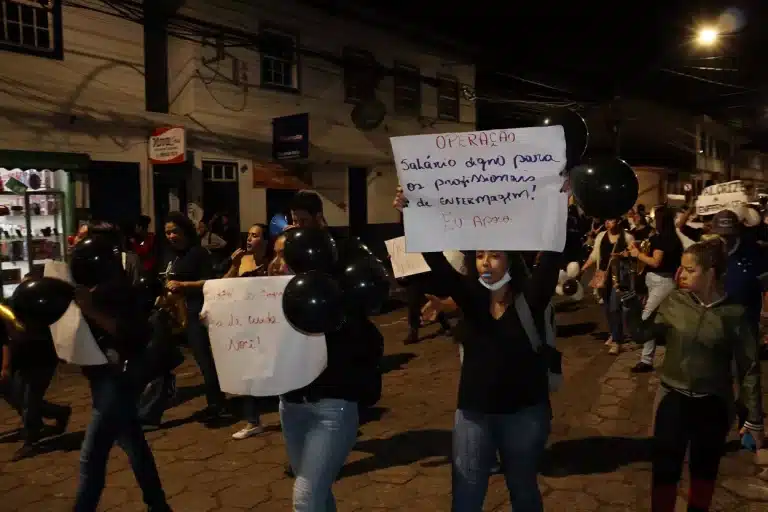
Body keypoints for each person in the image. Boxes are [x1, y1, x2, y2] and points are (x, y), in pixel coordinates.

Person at [394, 187, 559, 512]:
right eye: (481, 254)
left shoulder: (531, 298)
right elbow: (437, 263)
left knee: (523, 489)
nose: (485, 261)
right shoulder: (471, 297)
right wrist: (409, 215)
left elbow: (553, 254)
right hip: (473, 415)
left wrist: (558, 201)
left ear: (511, 261)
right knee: (466, 496)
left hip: (524, 414)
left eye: (495, 255)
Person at [622, 239, 764, 512]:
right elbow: (641, 334)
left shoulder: (735, 314)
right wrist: (629, 303)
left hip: (712, 404)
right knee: (665, 470)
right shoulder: (674, 301)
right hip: (672, 398)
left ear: (711, 273)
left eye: (689, 270)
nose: (681, 275)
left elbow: (749, 368)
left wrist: (754, 418)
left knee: (704, 472)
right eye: (681, 269)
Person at [279, 190, 382, 511]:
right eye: (293, 222)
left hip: (334, 399)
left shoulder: (346, 254)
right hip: (292, 399)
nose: (297, 228)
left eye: (303, 221)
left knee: (305, 498)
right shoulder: (284, 259)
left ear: (319, 218)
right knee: (317, 491)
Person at [72, 235, 170, 511]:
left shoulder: (117, 292)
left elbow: (130, 333)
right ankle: (158, 504)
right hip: (109, 379)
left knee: (92, 458)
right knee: (135, 446)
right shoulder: (99, 288)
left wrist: (89, 310)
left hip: (116, 381)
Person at [157, 212, 226, 423]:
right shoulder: (169, 255)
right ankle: (152, 407)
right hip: (171, 315)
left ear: (185, 231)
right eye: (167, 232)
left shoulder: (198, 254)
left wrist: (184, 286)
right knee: (158, 360)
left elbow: (209, 282)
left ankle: (217, 404)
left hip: (194, 312)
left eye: (175, 231)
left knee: (204, 360)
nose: (171, 236)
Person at [0, 274, 71, 461]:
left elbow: (11, 340)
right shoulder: (15, 309)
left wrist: (6, 366)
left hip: (40, 360)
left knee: (29, 402)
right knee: (21, 399)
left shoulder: (39, 311)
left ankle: (31, 442)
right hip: (23, 361)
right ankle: (59, 413)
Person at [227, 224, 271, 440]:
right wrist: (234, 266)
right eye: (248, 235)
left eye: (255, 236)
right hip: (247, 325)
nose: (249, 239)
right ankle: (253, 421)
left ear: (265, 241)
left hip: (270, 325)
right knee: (248, 374)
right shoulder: (242, 260)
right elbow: (224, 287)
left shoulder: (274, 262)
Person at [628, 205, 683, 373]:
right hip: (663, 282)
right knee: (663, 320)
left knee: (646, 320)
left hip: (661, 282)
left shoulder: (662, 239)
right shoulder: (673, 238)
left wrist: (637, 254)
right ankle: (658, 359)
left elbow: (655, 262)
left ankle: (646, 360)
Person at [580, 218, 635, 354]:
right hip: (603, 276)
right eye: (607, 220)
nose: (608, 223)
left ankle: (617, 342)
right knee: (606, 308)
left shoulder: (627, 237)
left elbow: (634, 256)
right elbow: (594, 255)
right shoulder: (601, 236)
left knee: (614, 307)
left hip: (619, 277)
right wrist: (583, 269)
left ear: (619, 221)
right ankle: (615, 334)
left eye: (612, 220)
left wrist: (624, 255)